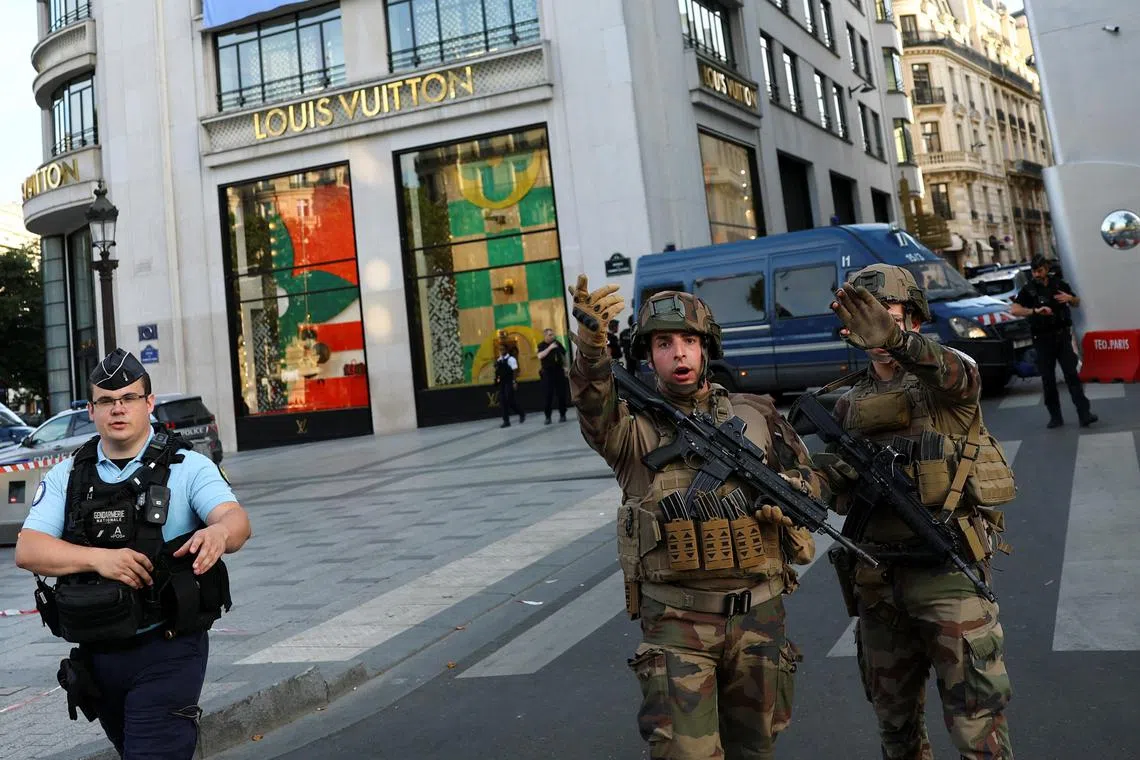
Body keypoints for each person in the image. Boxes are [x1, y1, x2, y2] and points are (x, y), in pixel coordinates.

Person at [568, 275, 827, 759]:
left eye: (689, 341)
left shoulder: (757, 413)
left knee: (757, 750)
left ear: (706, 349)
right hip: (676, 622)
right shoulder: (630, 429)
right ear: (649, 356)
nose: (679, 354)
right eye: (664, 344)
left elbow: (814, 481)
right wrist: (590, 351)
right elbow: (592, 405)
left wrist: (793, 492)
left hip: (759, 615)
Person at [814, 265, 1015, 760]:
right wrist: (806, 483)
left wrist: (899, 342)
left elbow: (960, 375)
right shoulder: (847, 403)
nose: (881, 329)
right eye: (872, 319)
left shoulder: (946, 382)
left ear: (916, 322)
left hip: (948, 574)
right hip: (878, 579)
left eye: (895, 317)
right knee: (895, 726)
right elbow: (835, 478)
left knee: (977, 729)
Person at [14, 348, 251, 759]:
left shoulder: (187, 466)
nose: (118, 408)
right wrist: (100, 560)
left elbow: (235, 520)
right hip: (99, 652)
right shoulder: (70, 474)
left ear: (149, 403)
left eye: (129, 398)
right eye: (106, 400)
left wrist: (218, 534)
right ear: (91, 409)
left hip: (169, 648)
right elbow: (28, 548)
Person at [1009, 254, 1096, 428]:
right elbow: (1015, 309)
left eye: (1039, 270)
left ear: (1046, 269)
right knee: (1048, 379)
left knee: (1071, 375)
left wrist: (1070, 299)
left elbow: (1077, 302)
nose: (1036, 274)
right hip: (1042, 339)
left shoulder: (1059, 284)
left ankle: (1084, 413)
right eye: (1034, 271)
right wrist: (1034, 311)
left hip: (1062, 336)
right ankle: (1055, 416)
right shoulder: (1029, 289)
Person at [536, 328, 568, 424]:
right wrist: (550, 348)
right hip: (547, 373)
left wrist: (566, 367)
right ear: (545, 336)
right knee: (548, 395)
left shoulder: (557, 343)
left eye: (553, 334)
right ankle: (548, 417)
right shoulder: (541, 345)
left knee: (561, 394)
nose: (552, 336)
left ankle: (562, 414)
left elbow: (564, 354)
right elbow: (540, 356)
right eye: (550, 335)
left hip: (558, 371)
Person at [494, 342, 525, 428]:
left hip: (509, 382)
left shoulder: (511, 359)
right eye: (500, 349)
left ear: (506, 350)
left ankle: (521, 413)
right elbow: (498, 372)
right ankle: (506, 421)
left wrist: (514, 382)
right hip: (502, 383)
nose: (501, 351)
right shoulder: (499, 360)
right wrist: (496, 380)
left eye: (503, 349)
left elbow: (515, 371)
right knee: (503, 401)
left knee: (510, 400)